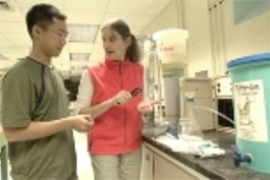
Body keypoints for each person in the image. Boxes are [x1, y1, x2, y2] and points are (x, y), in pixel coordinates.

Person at [0, 3, 94, 180]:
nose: (64, 40)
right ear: (37, 32)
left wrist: (74, 122)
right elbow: (13, 132)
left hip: (64, 172)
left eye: (66, 35)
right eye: (59, 34)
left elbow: (53, 119)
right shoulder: (20, 75)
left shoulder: (54, 74)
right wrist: (68, 122)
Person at [76, 18, 158, 180]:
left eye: (112, 39)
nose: (107, 45)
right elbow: (81, 113)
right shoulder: (92, 73)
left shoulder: (139, 70)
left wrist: (146, 108)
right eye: (104, 40)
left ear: (127, 41)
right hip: (103, 147)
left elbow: (144, 102)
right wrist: (111, 102)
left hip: (133, 144)